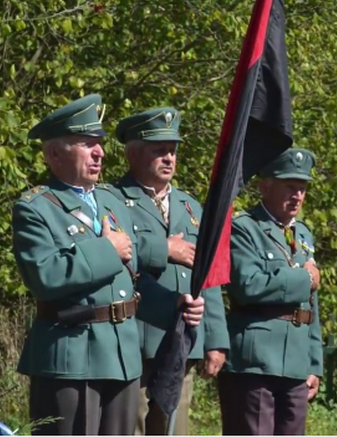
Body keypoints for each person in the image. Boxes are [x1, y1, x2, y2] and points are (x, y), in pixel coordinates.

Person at [11, 94, 205, 435]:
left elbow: (131, 281)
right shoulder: (36, 208)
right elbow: (45, 276)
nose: (99, 152)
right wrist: (107, 249)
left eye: (99, 143)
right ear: (54, 154)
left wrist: (174, 305)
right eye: (87, 144)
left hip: (122, 358)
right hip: (71, 359)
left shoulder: (111, 201)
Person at [107, 107, 230, 435]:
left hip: (181, 341)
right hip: (134, 339)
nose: (169, 158)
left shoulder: (191, 207)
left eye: (173, 150)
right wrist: (164, 249)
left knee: (174, 429)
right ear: (133, 154)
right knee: (131, 428)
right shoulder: (113, 199)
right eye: (159, 150)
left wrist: (216, 340)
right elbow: (114, 253)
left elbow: (208, 275)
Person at [217, 147, 323, 436]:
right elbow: (248, 284)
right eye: (290, 186)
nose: (297, 195)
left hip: (296, 362)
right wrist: (304, 278)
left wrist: (314, 363)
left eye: (302, 188)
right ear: (265, 186)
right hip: (255, 361)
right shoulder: (244, 229)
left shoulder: (303, 233)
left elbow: (310, 304)